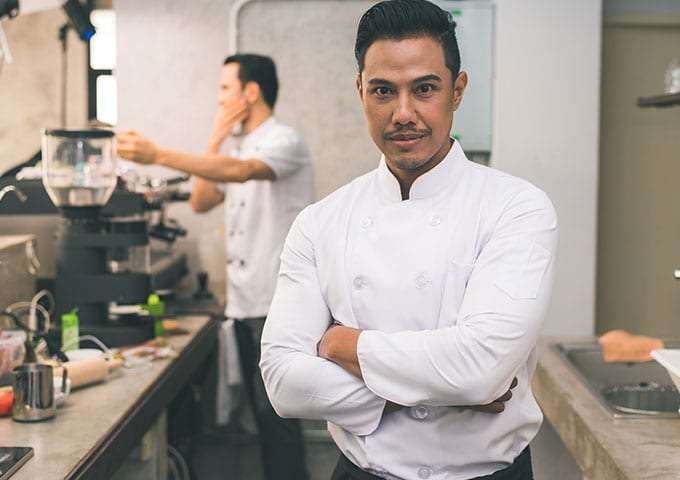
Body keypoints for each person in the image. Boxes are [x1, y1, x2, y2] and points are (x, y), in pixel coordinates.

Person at [260, 1, 558, 479]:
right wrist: (443, 390)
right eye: (383, 90)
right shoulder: (320, 223)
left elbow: (480, 368)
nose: (403, 113)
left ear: (456, 91)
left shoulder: (516, 208)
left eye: (424, 89)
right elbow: (283, 383)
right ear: (360, 91)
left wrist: (342, 345)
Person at [117, 53, 312, 480]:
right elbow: (201, 200)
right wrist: (215, 138)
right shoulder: (236, 147)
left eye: (225, 88)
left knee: (276, 418)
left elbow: (241, 172)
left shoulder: (284, 141)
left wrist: (157, 154)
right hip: (244, 302)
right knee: (260, 418)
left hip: (275, 303)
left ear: (251, 92)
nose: (219, 98)